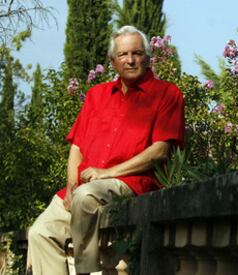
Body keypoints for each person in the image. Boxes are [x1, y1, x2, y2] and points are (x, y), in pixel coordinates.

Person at [26, 25, 185, 275]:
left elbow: (159, 152)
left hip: (131, 183)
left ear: (147, 57)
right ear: (113, 61)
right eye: (123, 55)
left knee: (86, 195)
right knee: (40, 233)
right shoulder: (96, 95)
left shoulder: (167, 93)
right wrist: (70, 186)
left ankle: (85, 271)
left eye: (137, 53)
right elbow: (76, 147)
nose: (130, 60)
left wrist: (107, 173)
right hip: (83, 188)